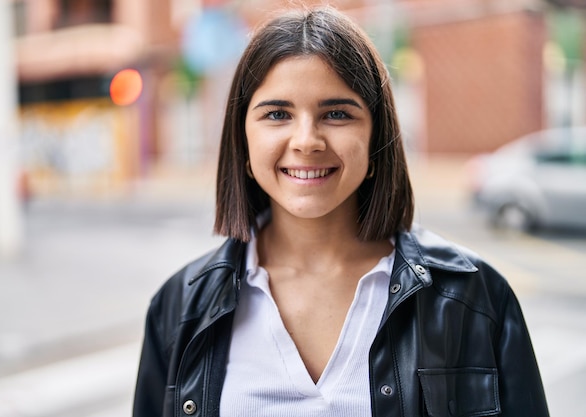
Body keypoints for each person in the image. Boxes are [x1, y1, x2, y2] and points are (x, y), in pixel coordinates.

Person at [133, 6, 549, 417]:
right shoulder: (179, 306)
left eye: (336, 113)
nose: (306, 140)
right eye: (278, 114)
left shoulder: (473, 297)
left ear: (375, 137)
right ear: (243, 141)